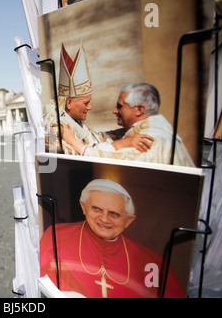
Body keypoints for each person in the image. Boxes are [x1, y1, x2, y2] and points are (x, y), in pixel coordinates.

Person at [39, 179, 185, 298]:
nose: (104, 219)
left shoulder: (151, 261)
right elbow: (45, 278)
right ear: (83, 207)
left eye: (114, 214)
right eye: (96, 209)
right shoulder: (57, 235)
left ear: (128, 220)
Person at [61, 83, 195, 167]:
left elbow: (115, 161)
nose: (115, 111)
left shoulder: (151, 138)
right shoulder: (150, 129)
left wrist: (75, 143)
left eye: (120, 106)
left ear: (139, 109)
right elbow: (102, 138)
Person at [46, 43, 104, 154]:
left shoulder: (75, 119)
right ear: (69, 103)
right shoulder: (54, 126)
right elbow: (62, 157)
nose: (90, 107)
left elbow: (96, 138)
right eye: (86, 103)